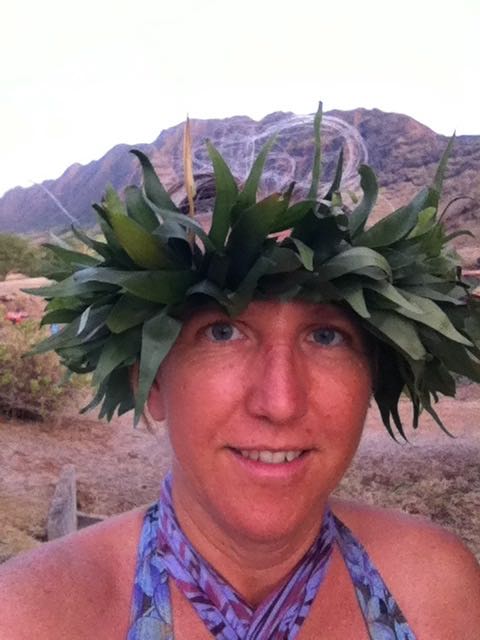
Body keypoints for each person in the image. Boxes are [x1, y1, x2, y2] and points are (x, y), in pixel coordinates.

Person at [1, 105, 479, 639]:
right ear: (149, 379)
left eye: (326, 336)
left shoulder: (438, 593)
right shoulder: (30, 618)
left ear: (373, 374)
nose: (280, 401)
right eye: (222, 332)